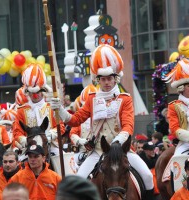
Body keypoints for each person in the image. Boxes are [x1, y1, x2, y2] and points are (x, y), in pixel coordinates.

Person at [50, 44, 155, 199]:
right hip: (99, 150)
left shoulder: (125, 99)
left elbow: (128, 126)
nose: (107, 82)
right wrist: (60, 110)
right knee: (77, 182)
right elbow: (75, 120)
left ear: (116, 79)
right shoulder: (92, 99)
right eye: (103, 79)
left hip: (122, 150)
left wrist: (117, 143)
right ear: (98, 80)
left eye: (110, 79)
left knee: (147, 176)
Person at [12, 64, 65, 155]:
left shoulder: (52, 107)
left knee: (67, 163)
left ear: (43, 91)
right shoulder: (21, 110)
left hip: (51, 146)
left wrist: (51, 135)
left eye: (38, 92)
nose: (35, 95)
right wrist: (25, 140)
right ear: (28, 92)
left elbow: (61, 127)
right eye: (32, 93)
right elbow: (17, 132)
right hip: (29, 147)